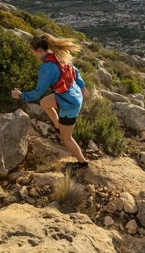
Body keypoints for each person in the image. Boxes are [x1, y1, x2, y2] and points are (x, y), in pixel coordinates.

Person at [10, 33, 90, 170]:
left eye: (33, 51)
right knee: (44, 103)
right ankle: (58, 126)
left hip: (69, 103)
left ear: (39, 51)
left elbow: (37, 92)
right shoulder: (59, 55)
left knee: (67, 139)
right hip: (71, 94)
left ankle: (83, 163)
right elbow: (76, 72)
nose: (33, 54)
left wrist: (21, 95)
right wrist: (81, 86)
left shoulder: (47, 67)